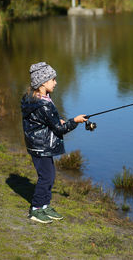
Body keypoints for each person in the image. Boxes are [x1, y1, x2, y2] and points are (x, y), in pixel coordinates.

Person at [21, 62, 87, 224]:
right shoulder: (43, 104)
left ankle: (45, 205)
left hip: (37, 143)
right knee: (47, 177)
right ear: (43, 82)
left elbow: (43, 121)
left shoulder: (34, 98)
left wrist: (58, 121)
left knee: (49, 175)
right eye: (53, 79)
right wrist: (75, 121)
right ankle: (36, 209)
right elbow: (59, 129)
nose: (56, 82)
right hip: (41, 145)